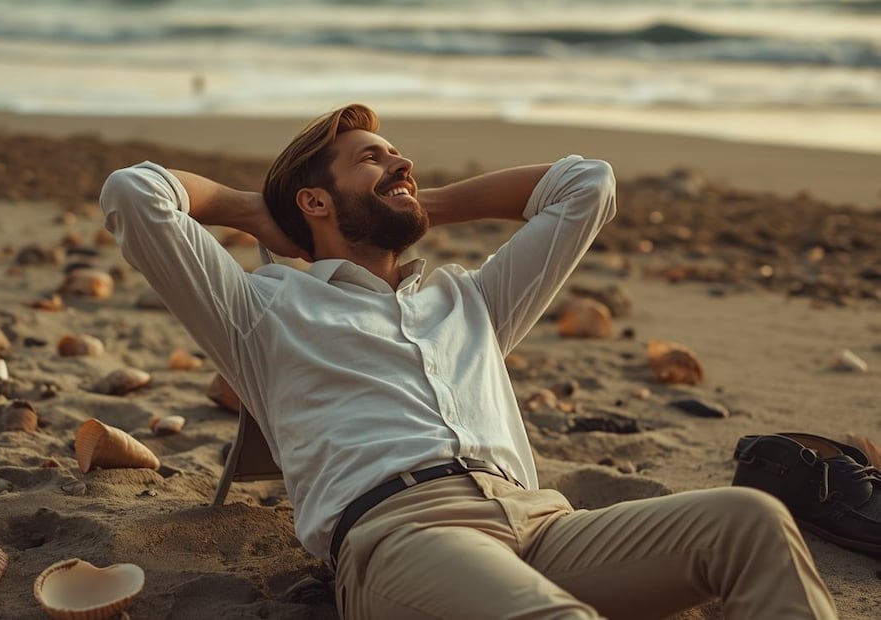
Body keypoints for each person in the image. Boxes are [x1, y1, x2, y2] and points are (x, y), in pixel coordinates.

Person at [99, 104, 838, 619]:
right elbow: (135, 195)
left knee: (750, 521)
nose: (400, 161)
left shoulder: (470, 302)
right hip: (404, 538)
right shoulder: (260, 310)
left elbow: (587, 186)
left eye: (398, 158)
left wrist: (417, 202)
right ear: (315, 201)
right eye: (373, 159)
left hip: (544, 527)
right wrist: (253, 210)